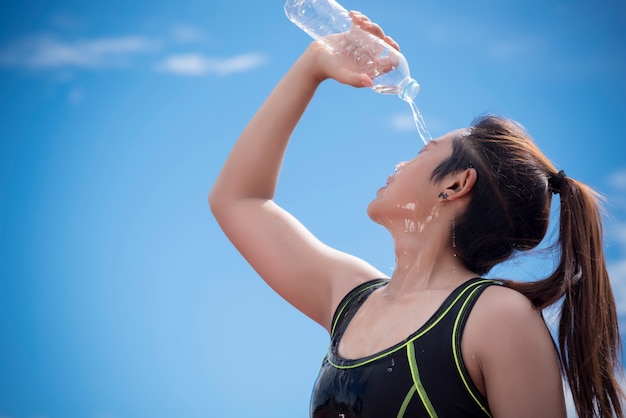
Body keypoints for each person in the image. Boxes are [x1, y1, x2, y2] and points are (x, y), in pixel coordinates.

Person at [209, 11, 624, 418]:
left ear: (457, 185)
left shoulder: (497, 317)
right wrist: (312, 65)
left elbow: (241, 201)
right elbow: (238, 200)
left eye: (423, 152)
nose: (398, 165)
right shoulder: (352, 298)